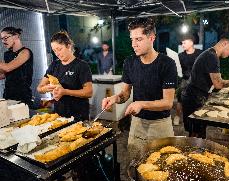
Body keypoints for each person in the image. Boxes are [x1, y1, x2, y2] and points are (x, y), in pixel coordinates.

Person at [102, 18, 177, 159]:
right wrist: (114, 98)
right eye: (132, 40)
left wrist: (141, 104)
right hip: (137, 123)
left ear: (151, 38)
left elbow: (168, 103)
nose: (134, 44)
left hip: (161, 124)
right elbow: (125, 93)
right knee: (136, 165)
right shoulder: (129, 63)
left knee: (162, 168)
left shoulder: (167, 64)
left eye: (139, 39)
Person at [182, 31, 229, 136]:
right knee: (196, 134)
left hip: (196, 96)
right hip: (193, 98)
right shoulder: (212, 56)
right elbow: (218, 84)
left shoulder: (211, 54)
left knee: (199, 132)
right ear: (224, 44)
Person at [37, 31, 93, 121]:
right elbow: (39, 88)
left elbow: (88, 92)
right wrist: (47, 88)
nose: (57, 53)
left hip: (78, 115)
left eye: (59, 49)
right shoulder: (54, 65)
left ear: (68, 46)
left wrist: (65, 92)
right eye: (54, 51)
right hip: (59, 116)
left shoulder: (82, 66)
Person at [173, 33, 202, 126]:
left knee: (197, 101)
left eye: (184, 43)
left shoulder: (200, 53)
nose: (182, 45)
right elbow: (177, 69)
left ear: (191, 42)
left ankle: (197, 117)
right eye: (182, 43)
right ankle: (177, 116)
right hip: (185, 80)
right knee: (180, 99)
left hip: (197, 81)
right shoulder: (180, 55)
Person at [0, 27, 33, 107]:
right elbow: (4, 74)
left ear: (16, 36)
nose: (3, 42)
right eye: (2, 39)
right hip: (8, 94)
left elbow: (8, 67)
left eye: (5, 38)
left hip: (22, 96)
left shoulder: (25, 52)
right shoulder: (7, 54)